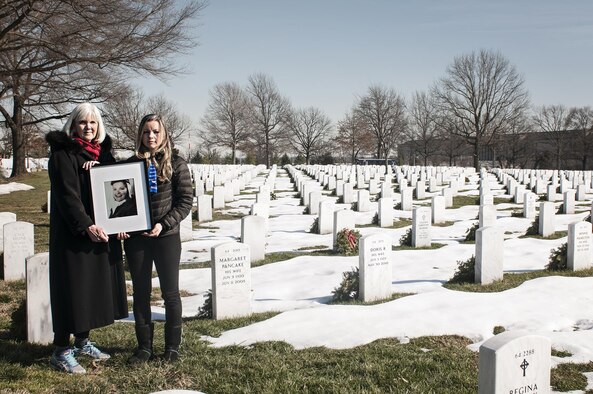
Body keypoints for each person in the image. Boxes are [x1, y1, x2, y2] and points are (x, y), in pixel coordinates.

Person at [46, 102, 128, 374]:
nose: (88, 127)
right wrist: (86, 226)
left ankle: (83, 341)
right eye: (83, 122)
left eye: (93, 123)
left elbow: (116, 187)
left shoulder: (102, 154)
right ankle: (61, 350)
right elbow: (68, 196)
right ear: (73, 124)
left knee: (87, 290)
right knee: (70, 290)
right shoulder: (62, 153)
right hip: (75, 234)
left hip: (99, 232)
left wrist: (121, 223)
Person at [119, 114, 192, 363]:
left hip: (166, 237)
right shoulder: (130, 165)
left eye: (156, 131)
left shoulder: (178, 164)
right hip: (137, 240)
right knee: (140, 292)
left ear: (164, 134)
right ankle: (145, 348)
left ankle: (172, 347)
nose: (151, 136)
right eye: (147, 131)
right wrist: (121, 225)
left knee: (170, 293)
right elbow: (121, 200)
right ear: (140, 134)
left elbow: (185, 202)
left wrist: (163, 224)